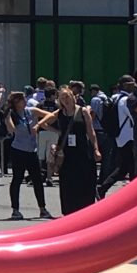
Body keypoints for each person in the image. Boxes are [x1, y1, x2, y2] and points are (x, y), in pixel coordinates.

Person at [54, 83, 97, 215]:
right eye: (62, 98)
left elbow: (91, 131)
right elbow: (44, 121)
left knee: (84, 184)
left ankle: (86, 213)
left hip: (82, 152)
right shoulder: (60, 113)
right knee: (68, 186)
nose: (65, 100)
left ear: (73, 97)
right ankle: (69, 214)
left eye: (67, 96)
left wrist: (96, 149)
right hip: (67, 155)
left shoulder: (83, 111)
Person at [3, 85, 40, 216]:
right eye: (22, 99)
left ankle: (43, 208)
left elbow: (51, 115)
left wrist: (39, 124)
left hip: (32, 150)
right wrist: (7, 119)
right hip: (18, 150)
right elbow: (11, 130)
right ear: (16, 102)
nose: (25, 101)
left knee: (37, 179)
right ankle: (15, 209)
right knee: (17, 179)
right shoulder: (12, 114)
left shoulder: (30, 111)